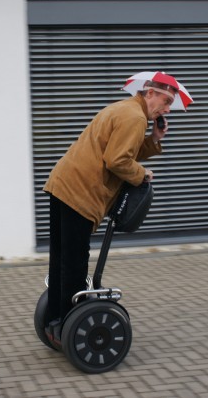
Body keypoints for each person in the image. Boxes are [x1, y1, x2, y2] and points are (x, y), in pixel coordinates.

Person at [43, 76, 179, 343]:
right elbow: (118, 160)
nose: (167, 109)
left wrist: (154, 139)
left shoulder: (124, 109)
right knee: (75, 264)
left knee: (61, 258)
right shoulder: (135, 117)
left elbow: (121, 149)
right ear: (150, 93)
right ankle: (67, 330)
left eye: (171, 104)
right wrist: (142, 174)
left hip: (62, 184)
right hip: (80, 191)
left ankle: (55, 322)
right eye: (166, 101)